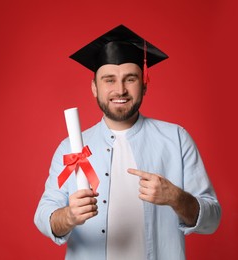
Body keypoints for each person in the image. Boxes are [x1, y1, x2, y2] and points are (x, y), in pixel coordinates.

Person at [34, 24, 221, 260]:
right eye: (109, 80)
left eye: (130, 79)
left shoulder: (177, 139)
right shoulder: (71, 148)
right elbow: (44, 215)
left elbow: (212, 220)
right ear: (95, 87)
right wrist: (69, 216)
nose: (120, 90)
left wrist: (176, 197)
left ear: (144, 83)